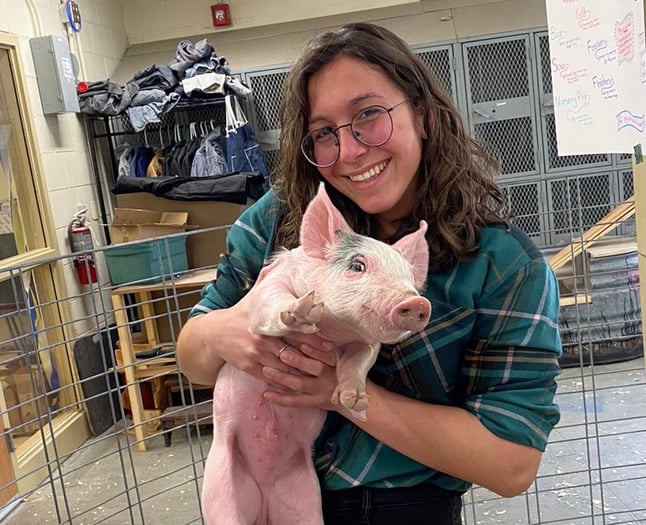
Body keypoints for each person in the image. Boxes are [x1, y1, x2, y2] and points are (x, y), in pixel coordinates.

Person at [177, 22, 562, 525]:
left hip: (406, 509)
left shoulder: (504, 263)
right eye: (323, 134)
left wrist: (342, 391)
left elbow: (511, 465)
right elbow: (192, 357)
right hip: (251, 484)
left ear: (421, 114)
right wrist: (231, 330)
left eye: (369, 115)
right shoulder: (280, 219)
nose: (351, 151)